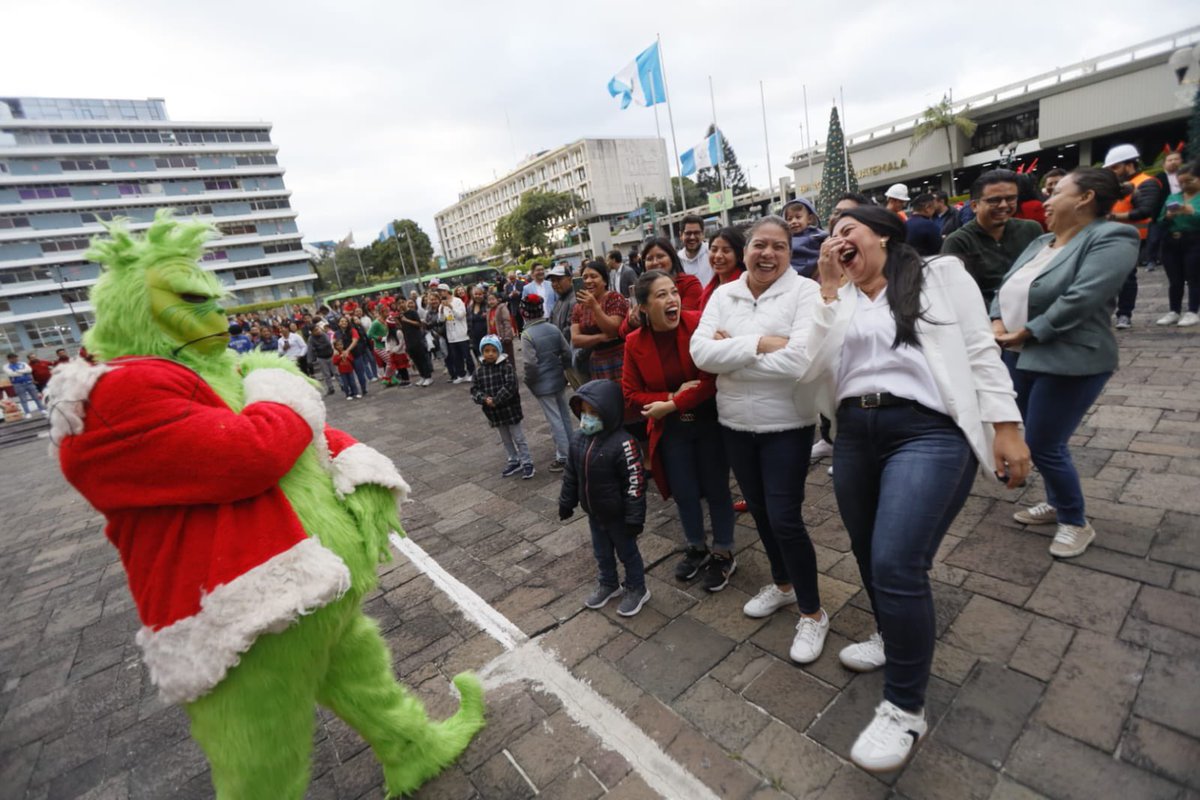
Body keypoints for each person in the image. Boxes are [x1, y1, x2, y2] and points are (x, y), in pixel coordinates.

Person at [808, 204, 1029, 774]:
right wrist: (828, 296)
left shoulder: (940, 275)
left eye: (846, 230)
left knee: (897, 561)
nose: (836, 241)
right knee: (865, 549)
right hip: (855, 434)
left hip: (927, 431)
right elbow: (810, 370)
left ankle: (905, 708)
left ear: (882, 233)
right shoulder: (836, 299)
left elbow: (980, 350)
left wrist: (1006, 425)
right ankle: (889, 634)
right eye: (830, 237)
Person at [690, 216, 830, 664]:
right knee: (763, 515)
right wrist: (763, 343)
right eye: (759, 245)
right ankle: (783, 584)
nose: (768, 254)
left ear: (790, 253)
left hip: (786, 425)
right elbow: (700, 353)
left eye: (779, 247)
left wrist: (733, 350)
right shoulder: (722, 293)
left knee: (786, 517)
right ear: (745, 249)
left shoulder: (805, 292)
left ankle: (813, 610)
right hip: (734, 424)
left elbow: (799, 361)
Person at [992, 167, 1139, 559]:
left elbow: (1083, 296)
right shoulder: (1043, 240)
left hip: (1072, 357)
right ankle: (1058, 502)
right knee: (1032, 436)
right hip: (1019, 354)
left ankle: (1075, 520)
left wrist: (1029, 330)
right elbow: (1007, 284)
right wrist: (997, 319)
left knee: (1044, 442)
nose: (1047, 200)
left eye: (1055, 192)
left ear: (1085, 198)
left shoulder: (1112, 237)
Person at [624, 270, 735, 591]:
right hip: (670, 430)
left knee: (717, 489)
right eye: (661, 295)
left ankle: (724, 551)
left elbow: (710, 381)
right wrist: (671, 397)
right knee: (684, 492)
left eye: (673, 292)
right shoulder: (634, 343)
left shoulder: (698, 322)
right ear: (644, 307)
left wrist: (672, 403)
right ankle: (696, 546)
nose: (672, 300)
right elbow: (631, 393)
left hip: (708, 422)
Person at [558, 379, 649, 617]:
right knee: (602, 552)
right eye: (583, 412)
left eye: (594, 413)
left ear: (609, 412)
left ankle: (637, 588)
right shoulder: (578, 439)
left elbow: (635, 484)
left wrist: (634, 518)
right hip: (595, 513)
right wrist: (566, 502)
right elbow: (571, 474)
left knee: (627, 553)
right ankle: (608, 583)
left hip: (619, 517)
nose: (587, 418)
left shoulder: (624, 444)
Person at [941, 169, 1043, 308]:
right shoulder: (958, 242)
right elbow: (958, 295)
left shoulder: (1032, 229)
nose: (1004, 205)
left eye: (1010, 199)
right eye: (994, 200)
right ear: (974, 206)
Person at [1106, 144, 1168, 329]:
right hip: (1111, 236)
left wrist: (1113, 217)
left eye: (1115, 167)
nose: (1113, 172)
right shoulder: (1116, 185)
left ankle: (1124, 314)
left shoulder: (1145, 182)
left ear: (1129, 164)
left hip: (1132, 237)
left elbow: (1145, 210)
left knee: (1127, 277)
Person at [519, 294, 573, 473]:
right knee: (564, 415)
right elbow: (566, 353)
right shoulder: (553, 328)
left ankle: (565, 457)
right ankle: (573, 449)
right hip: (558, 378)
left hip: (542, 383)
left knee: (554, 419)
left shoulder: (527, 335)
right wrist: (565, 371)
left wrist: (529, 381)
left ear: (524, 312)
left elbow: (530, 364)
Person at [470, 334, 535, 480]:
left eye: (493, 350)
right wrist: (484, 399)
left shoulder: (506, 367)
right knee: (505, 438)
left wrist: (496, 399)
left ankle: (527, 462)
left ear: (499, 351)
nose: (490, 354)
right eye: (486, 351)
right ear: (482, 352)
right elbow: (474, 390)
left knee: (519, 437)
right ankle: (513, 459)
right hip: (494, 413)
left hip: (510, 410)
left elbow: (511, 386)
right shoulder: (479, 371)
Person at [1156, 159, 1200, 328]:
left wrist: (1192, 212)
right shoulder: (1173, 197)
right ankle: (1174, 311)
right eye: (1181, 182)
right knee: (1175, 279)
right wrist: (1168, 216)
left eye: (1189, 181)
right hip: (1171, 241)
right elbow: (1159, 221)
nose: (1185, 185)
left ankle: (1192, 311)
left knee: (1194, 277)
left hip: (1194, 240)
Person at [571, 261, 629, 382]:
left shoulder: (614, 298)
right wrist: (600, 337)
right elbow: (576, 340)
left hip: (620, 358)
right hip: (597, 361)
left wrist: (595, 306)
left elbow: (613, 330)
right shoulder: (578, 307)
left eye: (593, 276)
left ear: (604, 281)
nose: (588, 281)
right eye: (585, 277)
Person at [1145, 151, 1184, 271]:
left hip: (1182, 211)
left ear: (1181, 161)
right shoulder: (1157, 178)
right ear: (1164, 164)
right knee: (1154, 237)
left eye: (1176, 159)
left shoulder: (1186, 176)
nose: (1173, 162)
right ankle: (1151, 260)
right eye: (1170, 160)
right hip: (1160, 210)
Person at [642, 238, 703, 310]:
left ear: (672, 258)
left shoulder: (689, 283)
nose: (655, 262)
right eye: (649, 259)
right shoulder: (641, 288)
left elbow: (687, 317)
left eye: (660, 256)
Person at [700, 226, 746, 311]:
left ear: (739, 255)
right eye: (714, 250)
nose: (718, 256)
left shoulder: (744, 287)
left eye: (726, 251)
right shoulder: (712, 285)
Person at [782, 197, 826, 278]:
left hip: (813, 270)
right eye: (789, 219)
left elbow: (828, 237)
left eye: (798, 217)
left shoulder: (814, 233)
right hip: (791, 271)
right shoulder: (786, 238)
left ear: (809, 219)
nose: (793, 221)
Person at [438, 285, 474, 384]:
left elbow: (461, 315)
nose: (440, 293)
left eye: (441, 291)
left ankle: (472, 373)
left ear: (446, 291)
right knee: (456, 357)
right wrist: (441, 310)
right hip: (451, 335)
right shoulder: (441, 304)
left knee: (467, 355)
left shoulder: (457, 301)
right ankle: (461, 374)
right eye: (439, 292)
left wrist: (450, 306)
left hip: (461, 333)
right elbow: (440, 320)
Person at [400, 299, 434, 386]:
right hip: (408, 340)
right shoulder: (401, 315)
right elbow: (402, 328)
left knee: (422, 358)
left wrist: (406, 320)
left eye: (402, 302)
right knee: (416, 360)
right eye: (399, 303)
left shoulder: (412, 312)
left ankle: (428, 377)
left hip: (417, 339)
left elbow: (419, 324)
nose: (401, 305)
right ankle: (422, 376)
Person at [4, 353, 47, 417]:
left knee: (36, 397)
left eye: (15, 357)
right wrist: (23, 372)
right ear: (9, 359)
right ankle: (27, 413)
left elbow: (29, 370)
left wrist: (17, 371)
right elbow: (11, 374)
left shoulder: (23, 363)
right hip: (18, 384)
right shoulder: (6, 366)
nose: (14, 359)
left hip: (29, 382)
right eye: (12, 358)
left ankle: (42, 409)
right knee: (23, 399)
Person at [335, 316, 368, 397]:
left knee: (360, 373)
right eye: (342, 321)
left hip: (355, 354)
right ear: (338, 323)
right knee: (348, 375)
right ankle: (353, 391)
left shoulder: (352, 330)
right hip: (345, 357)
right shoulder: (336, 333)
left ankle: (363, 389)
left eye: (346, 321)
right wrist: (335, 350)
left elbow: (355, 341)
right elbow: (334, 343)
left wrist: (347, 350)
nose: (344, 322)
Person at [677, 215, 711, 286]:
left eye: (696, 233)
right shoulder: (677, 260)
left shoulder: (712, 253)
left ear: (702, 234)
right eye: (688, 233)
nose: (692, 237)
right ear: (681, 235)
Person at [306, 320, 337, 395]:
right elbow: (309, 349)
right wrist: (309, 361)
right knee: (326, 375)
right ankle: (330, 388)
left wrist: (317, 347)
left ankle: (342, 385)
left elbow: (327, 344)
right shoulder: (311, 339)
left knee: (336, 372)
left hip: (330, 355)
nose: (318, 331)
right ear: (312, 332)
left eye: (318, 329)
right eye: (316, 330)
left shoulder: (324, 335)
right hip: (321, 358)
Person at [486, 291, 516, 361]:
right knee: (499, 358)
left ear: (498, 299)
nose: (491, 302)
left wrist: (507, 336)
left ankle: (512, 370)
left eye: (493, 299)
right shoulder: (489, 311)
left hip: (504, 338)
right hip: (494, 340)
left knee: (508, 357)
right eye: (489, 300)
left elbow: (507, 322)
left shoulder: (502, 308)